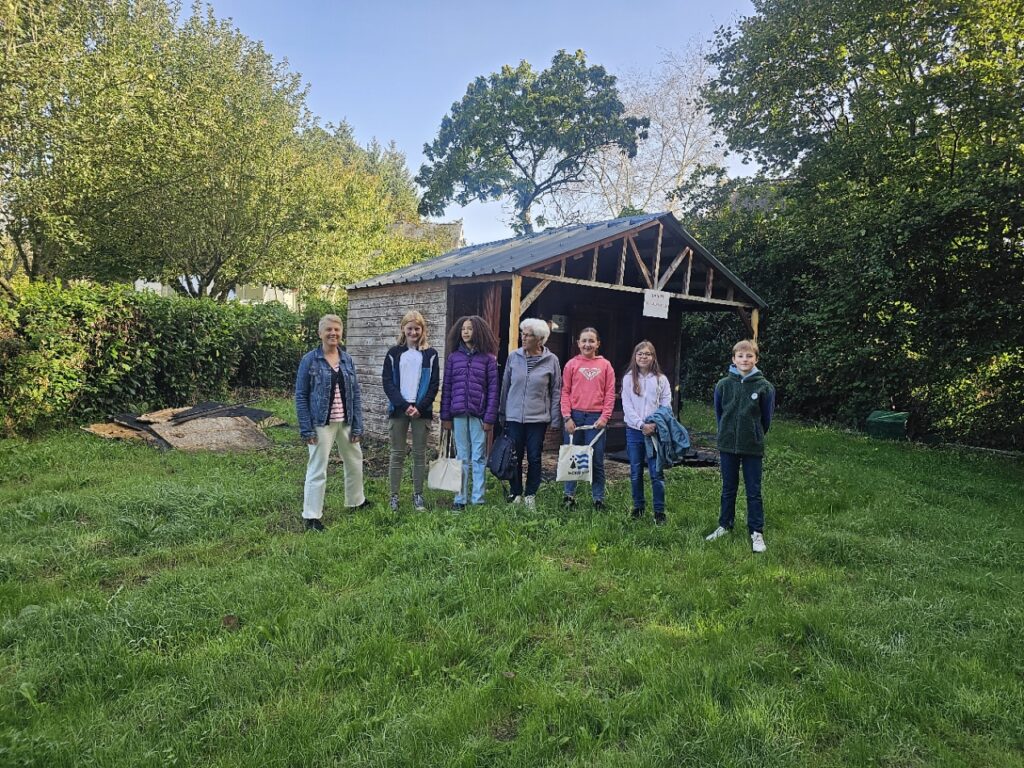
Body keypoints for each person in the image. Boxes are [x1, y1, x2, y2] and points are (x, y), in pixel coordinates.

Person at [295, 314, 367, 532]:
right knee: (318, 468)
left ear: (341, 332)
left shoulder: (347, 359)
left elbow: (355, 393)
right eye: (328, 330)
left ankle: (356, 501)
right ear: (320, 333)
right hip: (321, 423)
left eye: (337, 329)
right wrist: (306, 428)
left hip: (345, 421)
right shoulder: (310, 360)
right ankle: (312, 516)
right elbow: (300, 395)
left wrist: (357, 425)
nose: (333, 333)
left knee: (355, 461)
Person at [705, 339, 776, 553]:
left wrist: (753, 433)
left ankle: (756, 532)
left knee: (753, 490)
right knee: (728, 488)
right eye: (740, 356)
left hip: (752, 446)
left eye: (749, 356)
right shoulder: (723, 385)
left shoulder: (765, 387)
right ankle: (725, 525)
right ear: (733, 359)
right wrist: (726, 432)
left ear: (756, 359)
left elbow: (766, 418)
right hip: (727, 445)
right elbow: (720, 414)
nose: (744, 360)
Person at [498, 318, 561, 508]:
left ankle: (530, 495)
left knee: (534, 456)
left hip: (538, 418)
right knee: (514, 455)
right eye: (522, 334)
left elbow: (556, 389)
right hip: (514, 416)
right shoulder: (513, 357)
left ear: (540, 339)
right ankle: (515, 492)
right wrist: (502, 412)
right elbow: (505, 386)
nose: (523, 338)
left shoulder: (552, 360)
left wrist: (555, 418)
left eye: (528, 335)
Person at [440, 315, 499, 510]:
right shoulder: (453, 358)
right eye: (463, 328)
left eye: (470, 329)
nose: (466, 332)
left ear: (479, 332)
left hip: (479, 416)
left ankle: (478, 499)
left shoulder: (489, 359)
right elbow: (447, 387)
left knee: (479, 457)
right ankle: (460, 498)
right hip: (457, 415)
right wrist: (445, 416)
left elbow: (493, 391)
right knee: (461, 457)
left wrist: (490, 418)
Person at [382, 310, 439, 512]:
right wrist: (404, 405)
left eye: (417, 328)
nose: (413, 332)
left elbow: (433, 385)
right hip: (399, 410)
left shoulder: (430, 355)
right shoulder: (393, 353)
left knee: (419, 454)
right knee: (397, 453)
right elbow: (387, 383)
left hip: (421, 410)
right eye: (410, 328)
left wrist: (419, 407)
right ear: (403, 329)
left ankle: (418, 495)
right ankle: (394, 496)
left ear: (422, 330)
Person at [560, 327, 615, 508]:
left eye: (591, 341)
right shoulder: (571, 365)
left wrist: (605, 417)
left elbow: (609, 393)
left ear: (598, 343)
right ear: (578, 343)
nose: (587, 344)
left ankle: (598, 498)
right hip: (575, 416)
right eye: (584, 341)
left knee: (596, 459)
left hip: (595, 418)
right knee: (573, 457)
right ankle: (569, 496)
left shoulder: (605, 365)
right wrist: (567, 417)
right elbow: (565, 392)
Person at [621, 341, 672, 525]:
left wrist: (655, 424)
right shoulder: (628, 379)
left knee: (656, 472)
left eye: (647, 354)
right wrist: (641, 424)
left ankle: (659, 511)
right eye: (640, 353)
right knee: (635, 471)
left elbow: (666, 405)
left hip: (655, 432)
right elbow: (627, 406)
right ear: (635, 357)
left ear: (653, 357)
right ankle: (638, 507)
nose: (643, 357)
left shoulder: (661, 379)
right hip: (635, 432)